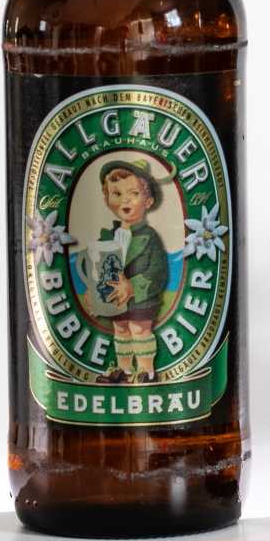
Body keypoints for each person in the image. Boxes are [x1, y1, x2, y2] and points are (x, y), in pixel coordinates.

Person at [89, 159, 169, 383]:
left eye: (134, 193)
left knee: (139, 330)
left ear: (148, 201)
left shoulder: (149, 237)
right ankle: (123, 370)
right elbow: (99, 269)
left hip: (142, 298)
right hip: (115, 297)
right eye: (117, 194)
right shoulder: (107, 237)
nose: (125, 199)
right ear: (107, 199)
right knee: (121, 330)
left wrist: (132, 287)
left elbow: (157, 272)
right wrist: (94, 292)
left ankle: (146, 371)